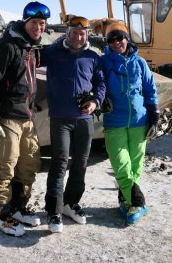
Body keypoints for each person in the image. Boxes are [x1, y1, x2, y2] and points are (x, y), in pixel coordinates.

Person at [0, 1, 51, 237]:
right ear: (24, 22)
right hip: (6, 118)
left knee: (29, 165)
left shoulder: (28, 48)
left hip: (26, 117)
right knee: (3, 167)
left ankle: (18, 207)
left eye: (42, 24)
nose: (38, 27)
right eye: (34, 23)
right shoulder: (8, 47)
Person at [40, 16, 106, 233]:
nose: (78, 37)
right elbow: (31, 56)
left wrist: (95, 101)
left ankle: (70, 203)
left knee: (81, 163)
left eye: (82, 34)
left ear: (87, 35)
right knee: (59, 163)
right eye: (74, 33)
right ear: (67, 33)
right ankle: (54, 210)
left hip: (84, 120)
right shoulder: (53, 53)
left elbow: (100, 83)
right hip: (61, 119)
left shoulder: (92, 57)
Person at [100, 21, 160, 225]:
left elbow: (150, 89)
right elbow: (96, 83)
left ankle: (126, 201)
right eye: (112, 40)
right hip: (114, 121)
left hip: (139, 120)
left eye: (120, 38)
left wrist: (154, 114)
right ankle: (137, 200)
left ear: (127, 38)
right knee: (121, 163)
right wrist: (101, 98)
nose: (117, 43)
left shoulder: (140, 63)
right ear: (107, 43)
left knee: (136, 164)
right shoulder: (104, 62)